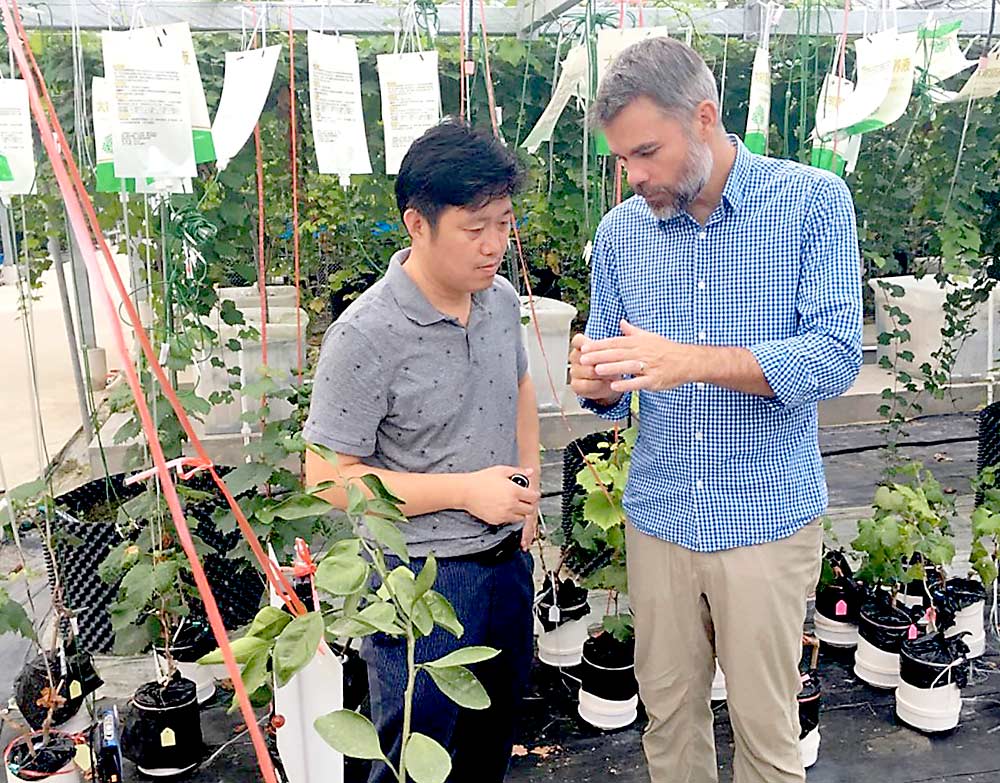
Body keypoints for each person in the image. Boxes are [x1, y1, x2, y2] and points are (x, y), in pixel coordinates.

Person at [569, 37, 862, 783]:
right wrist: (598, 383)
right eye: (622, 161)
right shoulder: (620, 234)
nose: (633, 177)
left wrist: (692, 361)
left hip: (764, 521)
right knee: (668, 723)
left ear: (704, 118)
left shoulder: (811, 203)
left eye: (646, 152)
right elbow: (610, 383)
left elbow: (834, 355)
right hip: (659, 517)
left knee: (768, 730)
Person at [303, 119, 540, 783]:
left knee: (491, 738)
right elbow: (326, 479)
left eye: (503, 221)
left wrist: (530, 487)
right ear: (417, 224)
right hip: (423, 578)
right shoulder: (366, 336)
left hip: (506, 566)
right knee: (414, 756)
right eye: (475, 228)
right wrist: (464, 490)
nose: (495, 244)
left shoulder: (499, 303)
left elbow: (520, 383)